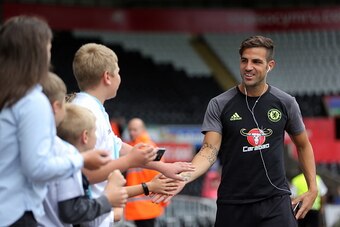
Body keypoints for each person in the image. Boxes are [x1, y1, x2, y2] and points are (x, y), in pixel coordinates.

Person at [152, 36, 318, 227]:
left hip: (275, 203)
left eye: (256, 62)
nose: (248, 67)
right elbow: (209, 150)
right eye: (244, 60)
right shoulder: (219, 104)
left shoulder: (286, 102)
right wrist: (184, 177)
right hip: (232, 204)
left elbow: (303, 145)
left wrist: (313, 188)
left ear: (270, 65)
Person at [0, 16, 109, 227]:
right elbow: (37, 167)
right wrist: (82, 160)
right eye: (49, 48)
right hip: (18, 214)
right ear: (38, 54)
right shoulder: (31, 101)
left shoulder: (8, 96)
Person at [71, 43, 194, 226]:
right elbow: (84, 174)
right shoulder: (87, 113)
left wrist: (162, 167)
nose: (120, 77)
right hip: (89, 218)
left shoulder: (92, 108)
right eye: (118, 72)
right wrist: (133, 164)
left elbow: (118, 145)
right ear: (107, 77)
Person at [37, 72, 127, 227]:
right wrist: (108, 199)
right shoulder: (64, 153)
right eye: (95, 131)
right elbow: (73, 211)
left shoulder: (36, 145)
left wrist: (147, 188)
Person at [124, 118, 167, 227]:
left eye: (135, 130)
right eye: (130, 130)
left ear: (142, 130)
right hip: (145, 203)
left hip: (145, 204)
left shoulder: (145, 148)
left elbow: (161, 175)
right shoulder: (146, 146)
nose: (131, 133)